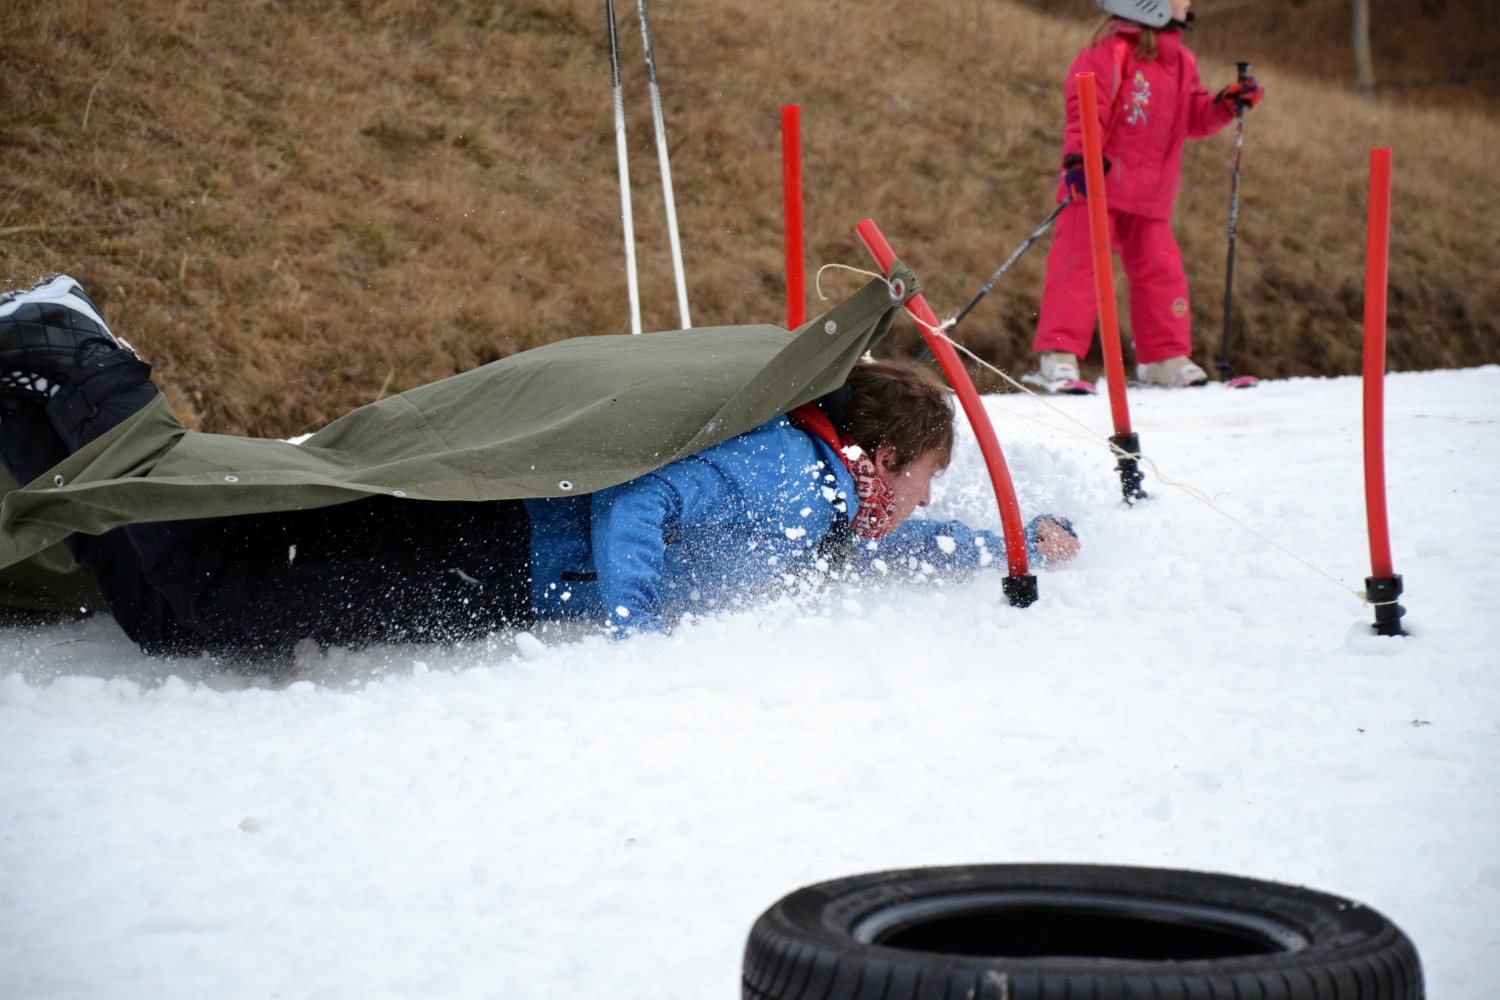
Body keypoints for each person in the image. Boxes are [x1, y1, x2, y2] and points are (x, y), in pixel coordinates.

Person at [0, 274, 1079, 661]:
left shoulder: (834, 507)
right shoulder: (792, 478)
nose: (926, 508)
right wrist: (638, 637)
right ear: (880, 456)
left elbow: (897, 546)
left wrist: (1009, 545)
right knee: (209, 594)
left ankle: (28, 404)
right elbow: (640, 498)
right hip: (489, 550)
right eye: (930, 484)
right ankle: (72, 348)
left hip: (497, 560)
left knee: (168, 619)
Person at [1028, 0, 1263, 391]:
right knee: (1077, 269)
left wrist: (1224, 105)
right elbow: (1085, 108)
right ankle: (1058, 356)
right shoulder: (1109, 50)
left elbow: (1193, 118)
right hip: (1096, 187)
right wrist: (1080, 159)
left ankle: (1163, 358)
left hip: (1150, 196)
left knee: (1161, 272)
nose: (1187, 2)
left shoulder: (1183, 61)